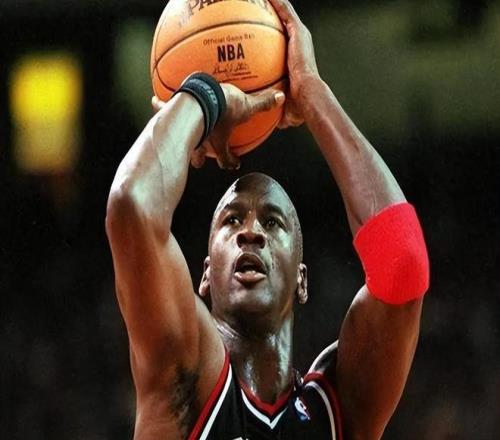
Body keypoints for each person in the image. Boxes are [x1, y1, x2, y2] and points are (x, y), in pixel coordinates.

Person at [106, 0, 430, 438]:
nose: (251, 233)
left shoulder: (338, 406)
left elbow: (403, 263)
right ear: (205, 276)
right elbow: (132, 205)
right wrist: (204, 97)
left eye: (273, 222)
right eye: (231, 221)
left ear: (302, 279)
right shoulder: (184, 376)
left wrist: (312, 94)